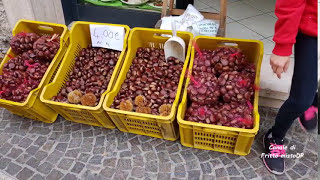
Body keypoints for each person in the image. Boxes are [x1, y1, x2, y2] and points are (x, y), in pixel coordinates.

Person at [262, 0, 318, 175]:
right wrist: (283, 46)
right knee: (301, 100)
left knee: (309, 94)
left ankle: (314, 100)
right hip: (313, 29)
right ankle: (275, 137)